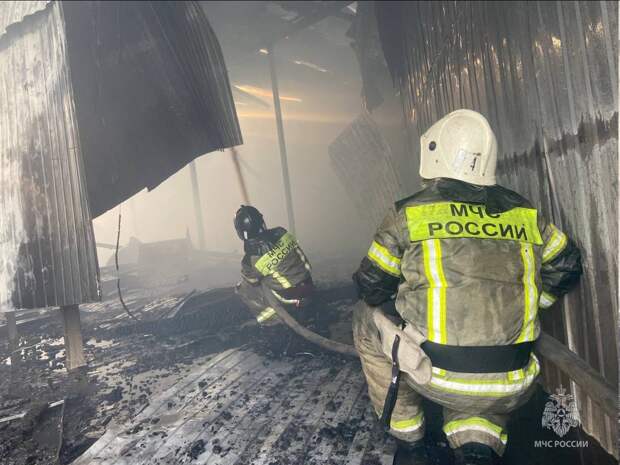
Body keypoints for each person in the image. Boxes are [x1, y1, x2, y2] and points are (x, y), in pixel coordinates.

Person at [351, 109, 582, 465]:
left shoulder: (408, 214)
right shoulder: (526, 213)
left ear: (436, 154)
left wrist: (408, 297)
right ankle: (477, 442)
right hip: (513, 379)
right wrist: (534, 305)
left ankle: (410, 439)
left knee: (365, 318)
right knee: (482, 371)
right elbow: (567, 266)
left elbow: (371, 288)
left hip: (436, 375)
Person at [233, 205, 314, 326]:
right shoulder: (281, 232)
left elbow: (253, 282)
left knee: (244, 288)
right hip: (309, 284)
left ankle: (272, 321)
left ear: (241, 231)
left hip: (291, 297)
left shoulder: (250, 260)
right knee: (271, 273)